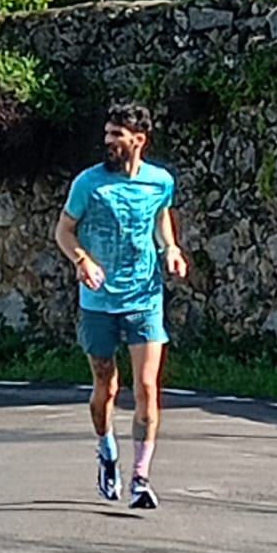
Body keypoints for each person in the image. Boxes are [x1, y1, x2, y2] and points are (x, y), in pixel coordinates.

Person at [54, 103, 187, 511]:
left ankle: (141, 478)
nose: (108, 141)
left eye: (117, 135)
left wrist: (171, 248)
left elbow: (161, 217)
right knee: (105, 386)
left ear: (138, 140)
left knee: (147, 387)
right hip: (98, 300)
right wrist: (82, 259)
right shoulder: (88, 184)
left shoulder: (159, 181)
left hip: (144, 297)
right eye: (107, 134)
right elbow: (63, 230)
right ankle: (106, 450)